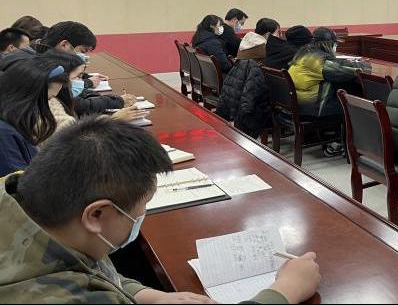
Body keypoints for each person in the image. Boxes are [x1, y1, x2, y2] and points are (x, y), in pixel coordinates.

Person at [0, 116, 321, 304]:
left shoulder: (19, 195)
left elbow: (87, 266)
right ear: (96, 215)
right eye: (141, 209)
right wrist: (283, 291)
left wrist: (148, 295)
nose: (141, 218)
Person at [39, 51, 148, 138]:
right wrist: (112, 119)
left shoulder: (54, 97)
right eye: (77, 77)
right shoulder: (52, 107)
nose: (81, 82)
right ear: (61, 79)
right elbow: (76, 142)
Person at [0, 57, 65, 175]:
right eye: (48, 99)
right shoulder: (4, 134)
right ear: (28, 95)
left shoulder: (13, 120)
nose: (49, 105)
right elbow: (17, 182)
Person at [288, 27, 369, 118]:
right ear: (329, 45)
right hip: (314, 108)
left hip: (298, 104)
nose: (336, 47)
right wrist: (365, 65)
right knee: (357, 103)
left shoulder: (303, 54)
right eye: (336, 44)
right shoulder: (318, 61)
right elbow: (347, 71)